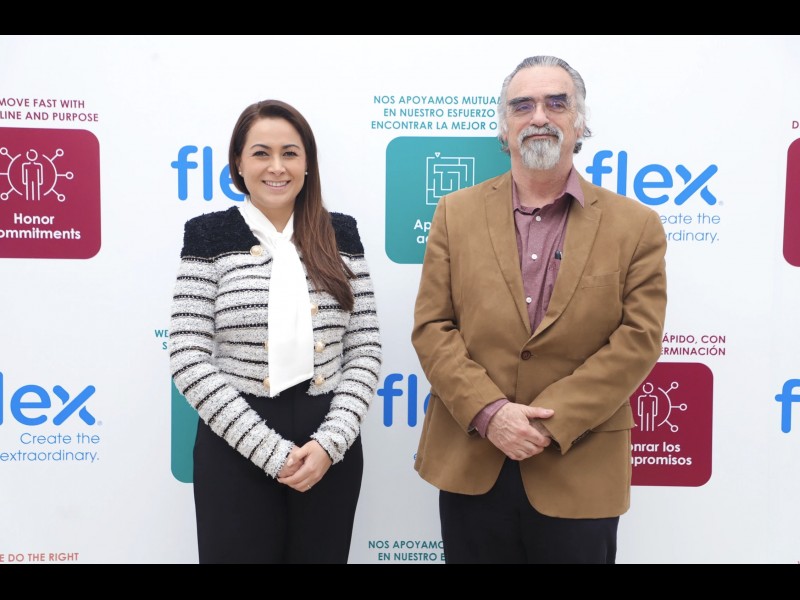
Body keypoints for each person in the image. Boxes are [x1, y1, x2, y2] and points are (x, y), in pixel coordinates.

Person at [411, 56, 668, 564]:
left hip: (580, 466)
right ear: (504, 128)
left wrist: (551, 422)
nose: (540, 117)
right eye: (522, 106)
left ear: (580, 123)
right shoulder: (454, 213)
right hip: (474, 460)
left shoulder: (636, 225)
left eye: (557, 103)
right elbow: (433, 327)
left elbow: (638, 340)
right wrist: (491, 413)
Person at [168, 99, 382, 564]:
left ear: (307, 164)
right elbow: (187, 353)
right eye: (261, 153)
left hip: (328, 443)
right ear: (238, 163)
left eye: (290, 153)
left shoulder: (341, 234)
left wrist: (330, 443)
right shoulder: (207, 235)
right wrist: (268, 450)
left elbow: (364, 348)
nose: (277, 167)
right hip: (235, 439)